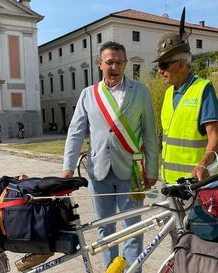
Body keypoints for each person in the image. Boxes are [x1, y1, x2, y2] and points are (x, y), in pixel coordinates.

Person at [61, 41, 158, 271]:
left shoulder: (141, 91)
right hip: (99, 172)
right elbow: (75, 131)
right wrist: (67, 167)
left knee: (133, 228)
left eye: (119, 62)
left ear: (125, 64)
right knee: (105, 229)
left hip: (132, 172)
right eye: (109, 62)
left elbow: (149, 133)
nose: (114, 67)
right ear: (100, 64)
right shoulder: (88, 94)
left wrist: (152, 169)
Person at [155, 32, 218, 183]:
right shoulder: (168, 94)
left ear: (180, 64)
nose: (160, 71)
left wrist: (203, 164)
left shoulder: (203, 89)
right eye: (159, 66)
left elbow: (215, 137)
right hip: (170, 183)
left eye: (163, 65)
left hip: (194, 184)